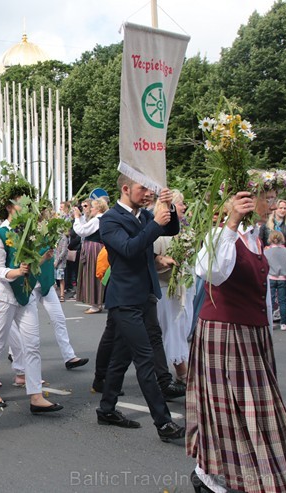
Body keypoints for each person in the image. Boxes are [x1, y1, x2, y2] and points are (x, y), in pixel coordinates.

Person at [188, 184, 286, 492]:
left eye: (275, 198)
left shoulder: (255, 237)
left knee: (254, 409)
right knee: (231, 411)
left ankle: (221, 474)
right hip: (225, 333)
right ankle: (209, 476)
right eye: (268, 198)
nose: (273, 204)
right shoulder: (222, 234)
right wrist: (231, 222)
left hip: (250, 334)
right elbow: (212, 273)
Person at [96, 174, 185, 442]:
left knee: (121, 358)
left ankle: (107, 409)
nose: (148, 193)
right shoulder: (110, 219)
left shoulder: (143, 216)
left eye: (149, 189)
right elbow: (129, 248)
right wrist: (155, 222)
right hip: (124, 300)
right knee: (145, 359)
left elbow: (171, 230)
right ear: (125, 188)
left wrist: (167, 207)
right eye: (142, 188)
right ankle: (164, 423)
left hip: (145, 296)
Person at [0, 181, 63, 414]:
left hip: (25, 295)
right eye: (20, 203)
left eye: (28, 203)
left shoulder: (30, 234)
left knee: (32, 344)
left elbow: (31, 264)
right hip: (3, 296)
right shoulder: (0, 235)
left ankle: (35, 395)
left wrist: (44, 258)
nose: (25, 207)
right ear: (8, 206)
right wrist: (16, 272)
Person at [153, 191, 194, 383]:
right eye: (180, 204)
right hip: (165, 288)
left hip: (182, 286)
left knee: (181, 327)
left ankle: (175, 368)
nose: (184, 207)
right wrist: (165, 261)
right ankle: (181, 371)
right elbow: (152, 261)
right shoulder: (159, 231)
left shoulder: (184, 230)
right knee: (172, 328)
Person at [73, 199, 108, 314]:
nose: (90, 209)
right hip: (95, 247)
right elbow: (85, 226)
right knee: (92, 274)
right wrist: (82, 215)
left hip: (93, 248)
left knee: (91, 274)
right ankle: (96, 302)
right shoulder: (98, 219)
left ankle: (95, 304)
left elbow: (82, 230)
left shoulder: (97, 220)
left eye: (92, 207)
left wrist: (77, 218)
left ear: (98, 208)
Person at [265, 230, 286, 332]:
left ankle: (270, 323)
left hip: (271, 277)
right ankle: (284, 323)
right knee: (282, 301)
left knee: (270, 301)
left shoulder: (266, 251)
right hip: (282, 278)